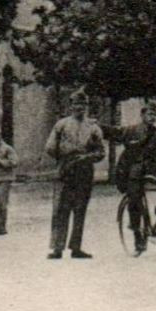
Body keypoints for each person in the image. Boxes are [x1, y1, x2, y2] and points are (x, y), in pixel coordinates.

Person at [44, 89, 105, 259]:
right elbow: (49, 147)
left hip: (84, 172)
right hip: (65, 171)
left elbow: (101, 152)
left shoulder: (93, 128)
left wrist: (87, 156)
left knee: (80, 209)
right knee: (60, 209)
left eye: (83, 104)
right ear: (70, 106)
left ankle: (76, 247)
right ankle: (57, 248)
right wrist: (64, 157)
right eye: (76, 104)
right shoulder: (61, 125)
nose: (80, 107)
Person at [110, 101, 156, 255]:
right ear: (142, 115)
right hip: (133, 169)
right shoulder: (132, 131)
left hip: (151, 167)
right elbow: (114, 132)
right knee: (134, 200)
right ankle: (138, 237)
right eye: (149, 114)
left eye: (154, 114)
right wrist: (96, 126)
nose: (152, 117)